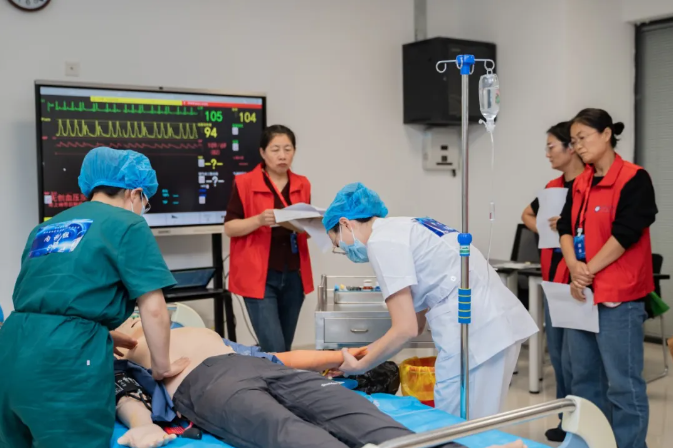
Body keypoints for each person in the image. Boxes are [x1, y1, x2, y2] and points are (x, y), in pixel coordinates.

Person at [0, 147, 188, 448]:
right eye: (145, 202)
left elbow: (49, 300)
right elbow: (153, 309)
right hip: (67, 358)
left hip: (11, 350)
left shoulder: (45, 228)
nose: (143, 209)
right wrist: (161, 367)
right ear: (134, 193)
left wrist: (100, 331)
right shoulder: (128, 223)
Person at [114, 317, 526, 448]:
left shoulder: (199, 331)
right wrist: (141, 424)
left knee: (355, 412)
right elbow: (123, 392)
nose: (139, 316)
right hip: (205, 385)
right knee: (287, 431)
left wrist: (340, 358)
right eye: (131, 316)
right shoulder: (121, 352)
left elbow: (279, 358)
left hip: (255, 366)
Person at [321, 184, 539, 419]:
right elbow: (416, 324)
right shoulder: (405, 226)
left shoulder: (380, 242)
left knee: (454, 425)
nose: (345, 251)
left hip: (476, 333)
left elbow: (405, 329)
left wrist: (360, 366)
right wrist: (363, 355)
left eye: (338, 244)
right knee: (475, 421)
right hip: (495, 323)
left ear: (345, 223)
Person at [557, 109, 657, 448]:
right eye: (573, 141)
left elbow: (626, 233)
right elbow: (565, 226)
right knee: (583, 380)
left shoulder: (634, 179)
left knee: (623, 384)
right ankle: (591, 443)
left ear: (606, 133)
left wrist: (587, 270)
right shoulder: (581, 182)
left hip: (619, 297)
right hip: (582, 295)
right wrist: (574, 265)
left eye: (582, 138)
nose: (578, 146)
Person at [520, 121, 584, 443]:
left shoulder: (588, 184)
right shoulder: (553, 188)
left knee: (579, 361)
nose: (547, 153)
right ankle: (565, 420)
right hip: (553, 279)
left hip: (580, 281)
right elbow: (526, 214)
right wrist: (549, 231)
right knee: (558, 357)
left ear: (571, 147)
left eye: (551, 147)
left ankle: (584, 424)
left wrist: (571, 227)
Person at [224, 125, 313, 352]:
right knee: (275, 349)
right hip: (258, 276)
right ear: (262, 152)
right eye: (275, 149)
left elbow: (308, 227)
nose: (282, 155)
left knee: (284, 347)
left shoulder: (302, 183)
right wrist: (259, 220)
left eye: (288, 149)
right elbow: (230, 228)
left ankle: (267, 372)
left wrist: (310, 227)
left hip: (294, 275)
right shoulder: (244, 183)